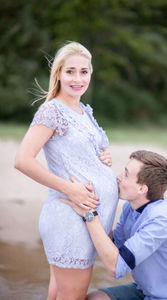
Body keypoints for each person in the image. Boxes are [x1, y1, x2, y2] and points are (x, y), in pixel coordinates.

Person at [14, 41, 119, 300]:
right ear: (58, 73)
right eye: (70, 71)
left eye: (84, 72)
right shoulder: (52, 111)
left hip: (86, 221)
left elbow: (79, 152)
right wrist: (70, 189)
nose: (77, 78)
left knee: (58, 294)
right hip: (70, 219)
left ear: (91, 74)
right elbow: (23, 160)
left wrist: (102, 156)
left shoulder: (84, 110)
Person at [62, 150, 167, 300]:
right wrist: (91, 200)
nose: (118, 177)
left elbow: (115, 267)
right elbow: (113, 245)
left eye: (126, 174)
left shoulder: (162, 220)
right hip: (147, 290)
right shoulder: (131, 207)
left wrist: (90, 215)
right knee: (93, 299)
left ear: (142, 188)